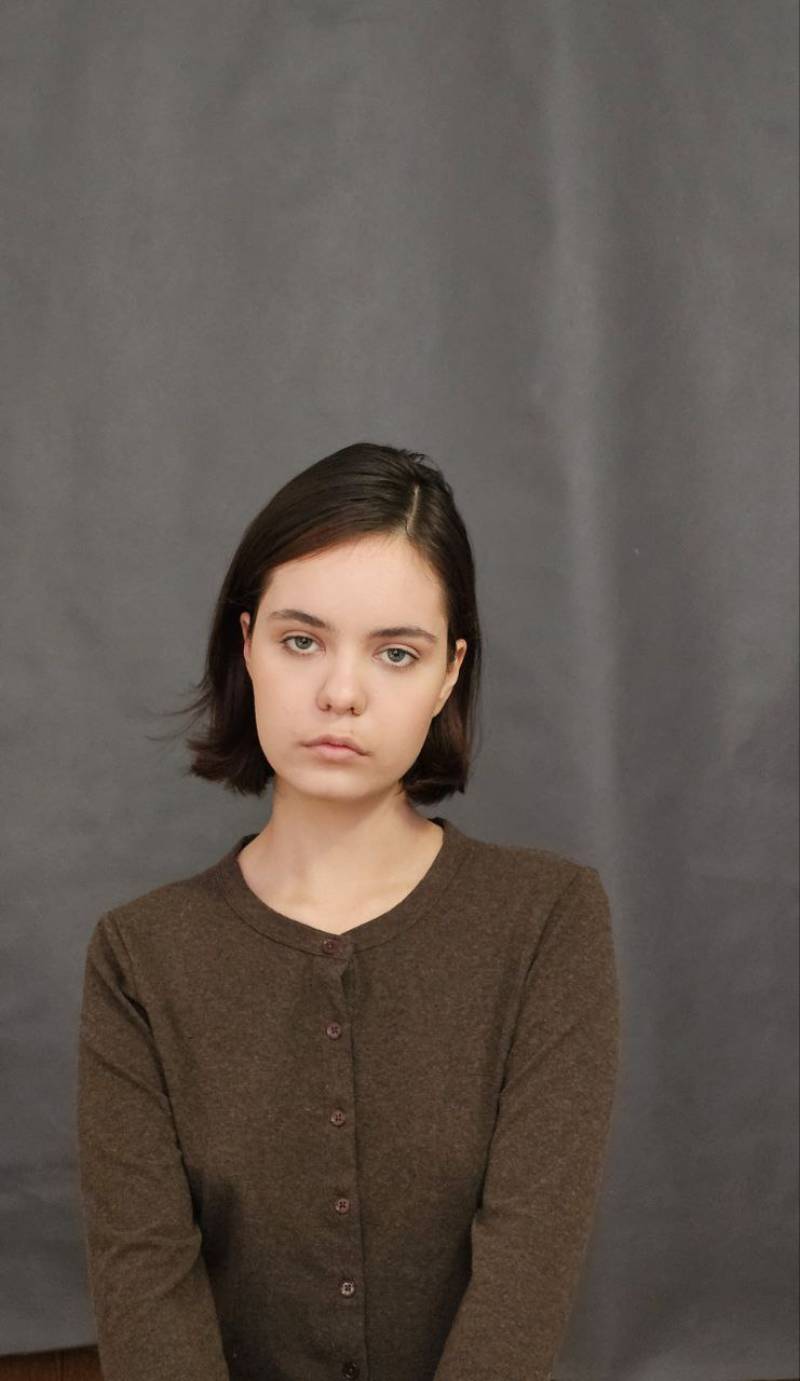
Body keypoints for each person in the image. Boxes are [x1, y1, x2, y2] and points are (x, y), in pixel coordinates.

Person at [76, 440, 620, 1381]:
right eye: (302, 640)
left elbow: (526, 1274)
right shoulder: (140, 955)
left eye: (396, 653)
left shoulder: (548, 921)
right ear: (247, 645)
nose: (340, 692)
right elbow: (147, 1295)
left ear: (449, 673)